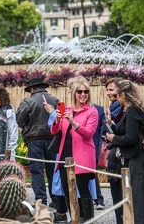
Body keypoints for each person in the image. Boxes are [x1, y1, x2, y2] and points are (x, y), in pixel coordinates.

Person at [105, 79, 144, 224]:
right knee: (136, 196)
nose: (115, 97)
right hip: (133, 158)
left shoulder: (133, 111)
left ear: (123, 95)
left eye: (116, 95)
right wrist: (111, 126)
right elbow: (126, 133)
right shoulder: (129, 110)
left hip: (136, 159)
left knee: (138, 197)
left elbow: (130, 138)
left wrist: (113, 138)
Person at [51, 77, 98, 223]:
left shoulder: (92, 111)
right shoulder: (67, 110)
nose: (83, 94)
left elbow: (89, 133)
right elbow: (54, 131)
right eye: (80, 91)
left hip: (82, 154)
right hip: (66, 153)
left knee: (82, 188)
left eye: (86, 92)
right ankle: (75, 218)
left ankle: (87, 219)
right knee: (66, 188)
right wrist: (57, 120)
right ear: (74, 93)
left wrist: (74, 122)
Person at [16, 77, 59, 208]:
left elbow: (19, 121)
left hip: (34, 140)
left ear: (32, 88)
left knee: (37, 171)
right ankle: (56, 200)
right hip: (53, 139)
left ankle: (41, 201)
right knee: (53, 171)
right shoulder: (54, 100)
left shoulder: (28, 102)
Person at [103, 77, 123, 224]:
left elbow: (123, 134)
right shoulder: (113, 107)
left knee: (120, 195)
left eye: (112, 90)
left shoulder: (121, 108)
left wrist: (111, 132)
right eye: (107, 90)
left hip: (119, 156)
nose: (109, 93)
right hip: (114, 155)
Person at [92, 103, 106, 210]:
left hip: (94, 146)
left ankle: (98, 199)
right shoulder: (72, 108)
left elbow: (104, 130)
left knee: (92, 173)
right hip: (77, 147)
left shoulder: (98, 109)